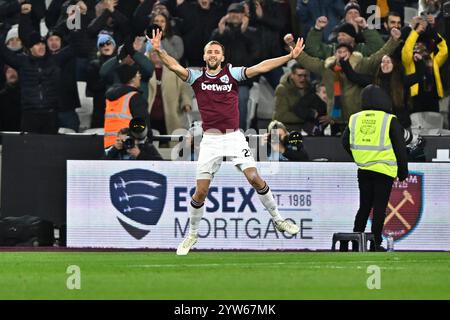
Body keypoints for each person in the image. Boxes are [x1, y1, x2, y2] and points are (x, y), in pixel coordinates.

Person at [148, 28, 305, 255]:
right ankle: (192, 234)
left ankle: (279, 219)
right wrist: (159, 50)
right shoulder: (197, 77)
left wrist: (289, 57)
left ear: (222, 57)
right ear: (204, 57)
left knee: (254, 177)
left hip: (233, 136)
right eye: (209, 52)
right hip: (210, 140)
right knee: (200, 192)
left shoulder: (232, 74)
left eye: (216, 52)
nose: (212, 55)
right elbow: (174, 66)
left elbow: (260, 67)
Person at [342, 85, 408, 252]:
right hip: (384, 170)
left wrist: (359, 156)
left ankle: (356, 239)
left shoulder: (354, 118)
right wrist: (403, 171)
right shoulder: (388, 119)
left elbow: (344, 142)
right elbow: (400, 147)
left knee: (364, 205)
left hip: (363, 169)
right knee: (379, 206)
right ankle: (375, 243)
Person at [104, 63, 154, 148]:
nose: (140, 76)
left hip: (110, 146)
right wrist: (148, 142)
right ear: (133, 78)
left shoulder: (110, 98)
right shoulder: (135, 97)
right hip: (128, 146)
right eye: (138, 74)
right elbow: (142, 124)